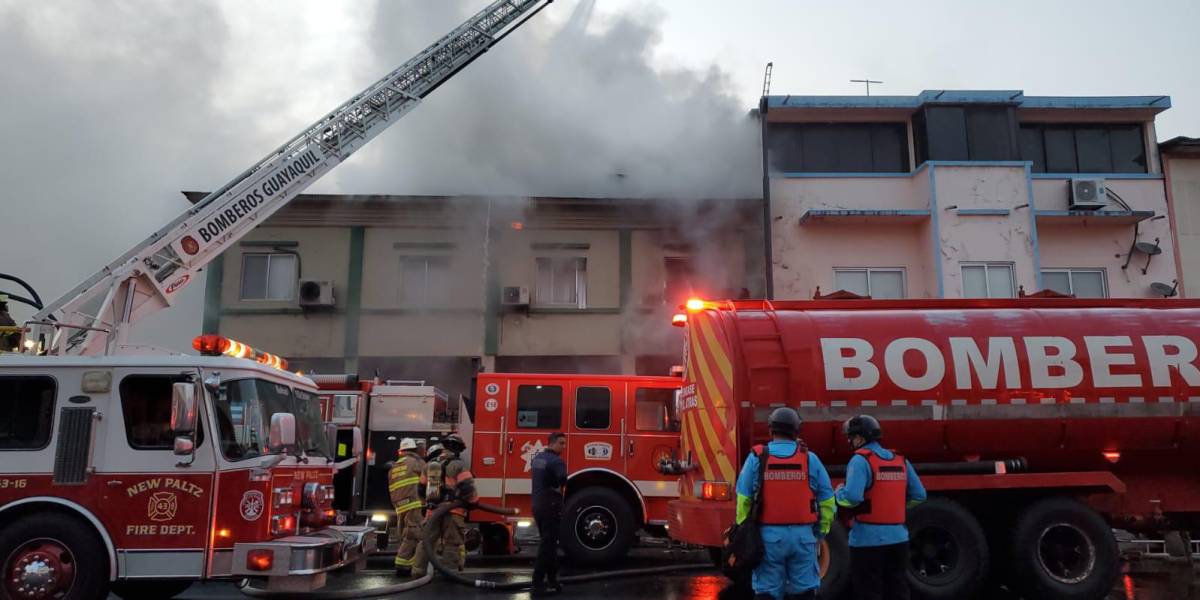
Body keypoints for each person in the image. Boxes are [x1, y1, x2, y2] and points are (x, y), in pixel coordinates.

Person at [735, 407, 836, 600]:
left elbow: (743, 499)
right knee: (804, 591)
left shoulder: (757, 457)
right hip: (803, 538)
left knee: (767, 590)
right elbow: (827, 500)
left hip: (768, 539)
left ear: (771, 429)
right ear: (796, 431)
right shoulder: (810, 459)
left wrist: (745, 532)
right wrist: (820, 532)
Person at [835, 415, 926, 600]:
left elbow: (852, 498)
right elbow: (919, 495)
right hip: (899, 540)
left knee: (869, 592)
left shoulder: (860, 460)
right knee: (898, 590)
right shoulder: (900, 460)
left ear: (860, 438)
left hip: (867, 541)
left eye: (851, 437)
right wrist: (895, 507)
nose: (850, 441)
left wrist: (838, 493)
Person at [412, 434, 478, 578]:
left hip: (433, 511)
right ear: (458, 449)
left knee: (426, 542)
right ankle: (450, 573)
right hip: (453, 512)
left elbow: (421, 489)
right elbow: (468, 489)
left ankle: (418, 572)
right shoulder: (459, 465)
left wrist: (427, 505)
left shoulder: (429, 465)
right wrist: (474, 503)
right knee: (452, 543)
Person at [530, 432, 568, 596]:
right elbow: (563, 480)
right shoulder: (557, 461)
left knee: (550, 543)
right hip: (551, 504)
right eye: (561, 443)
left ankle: (553, 580)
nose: (563, 447)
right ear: (552, 443)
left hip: (537, 503)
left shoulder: (537, 459)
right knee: (547, 545)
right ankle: (537, 582)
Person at [388, 438, 425, 577]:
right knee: (413, 534)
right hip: (415, 503)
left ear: (401, 451)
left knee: (403, 534)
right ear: (414, 450)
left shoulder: (394, 467)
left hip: (399, 506)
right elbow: (428, 479)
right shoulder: (417, 462)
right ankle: (403, 566)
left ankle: (407, 563)